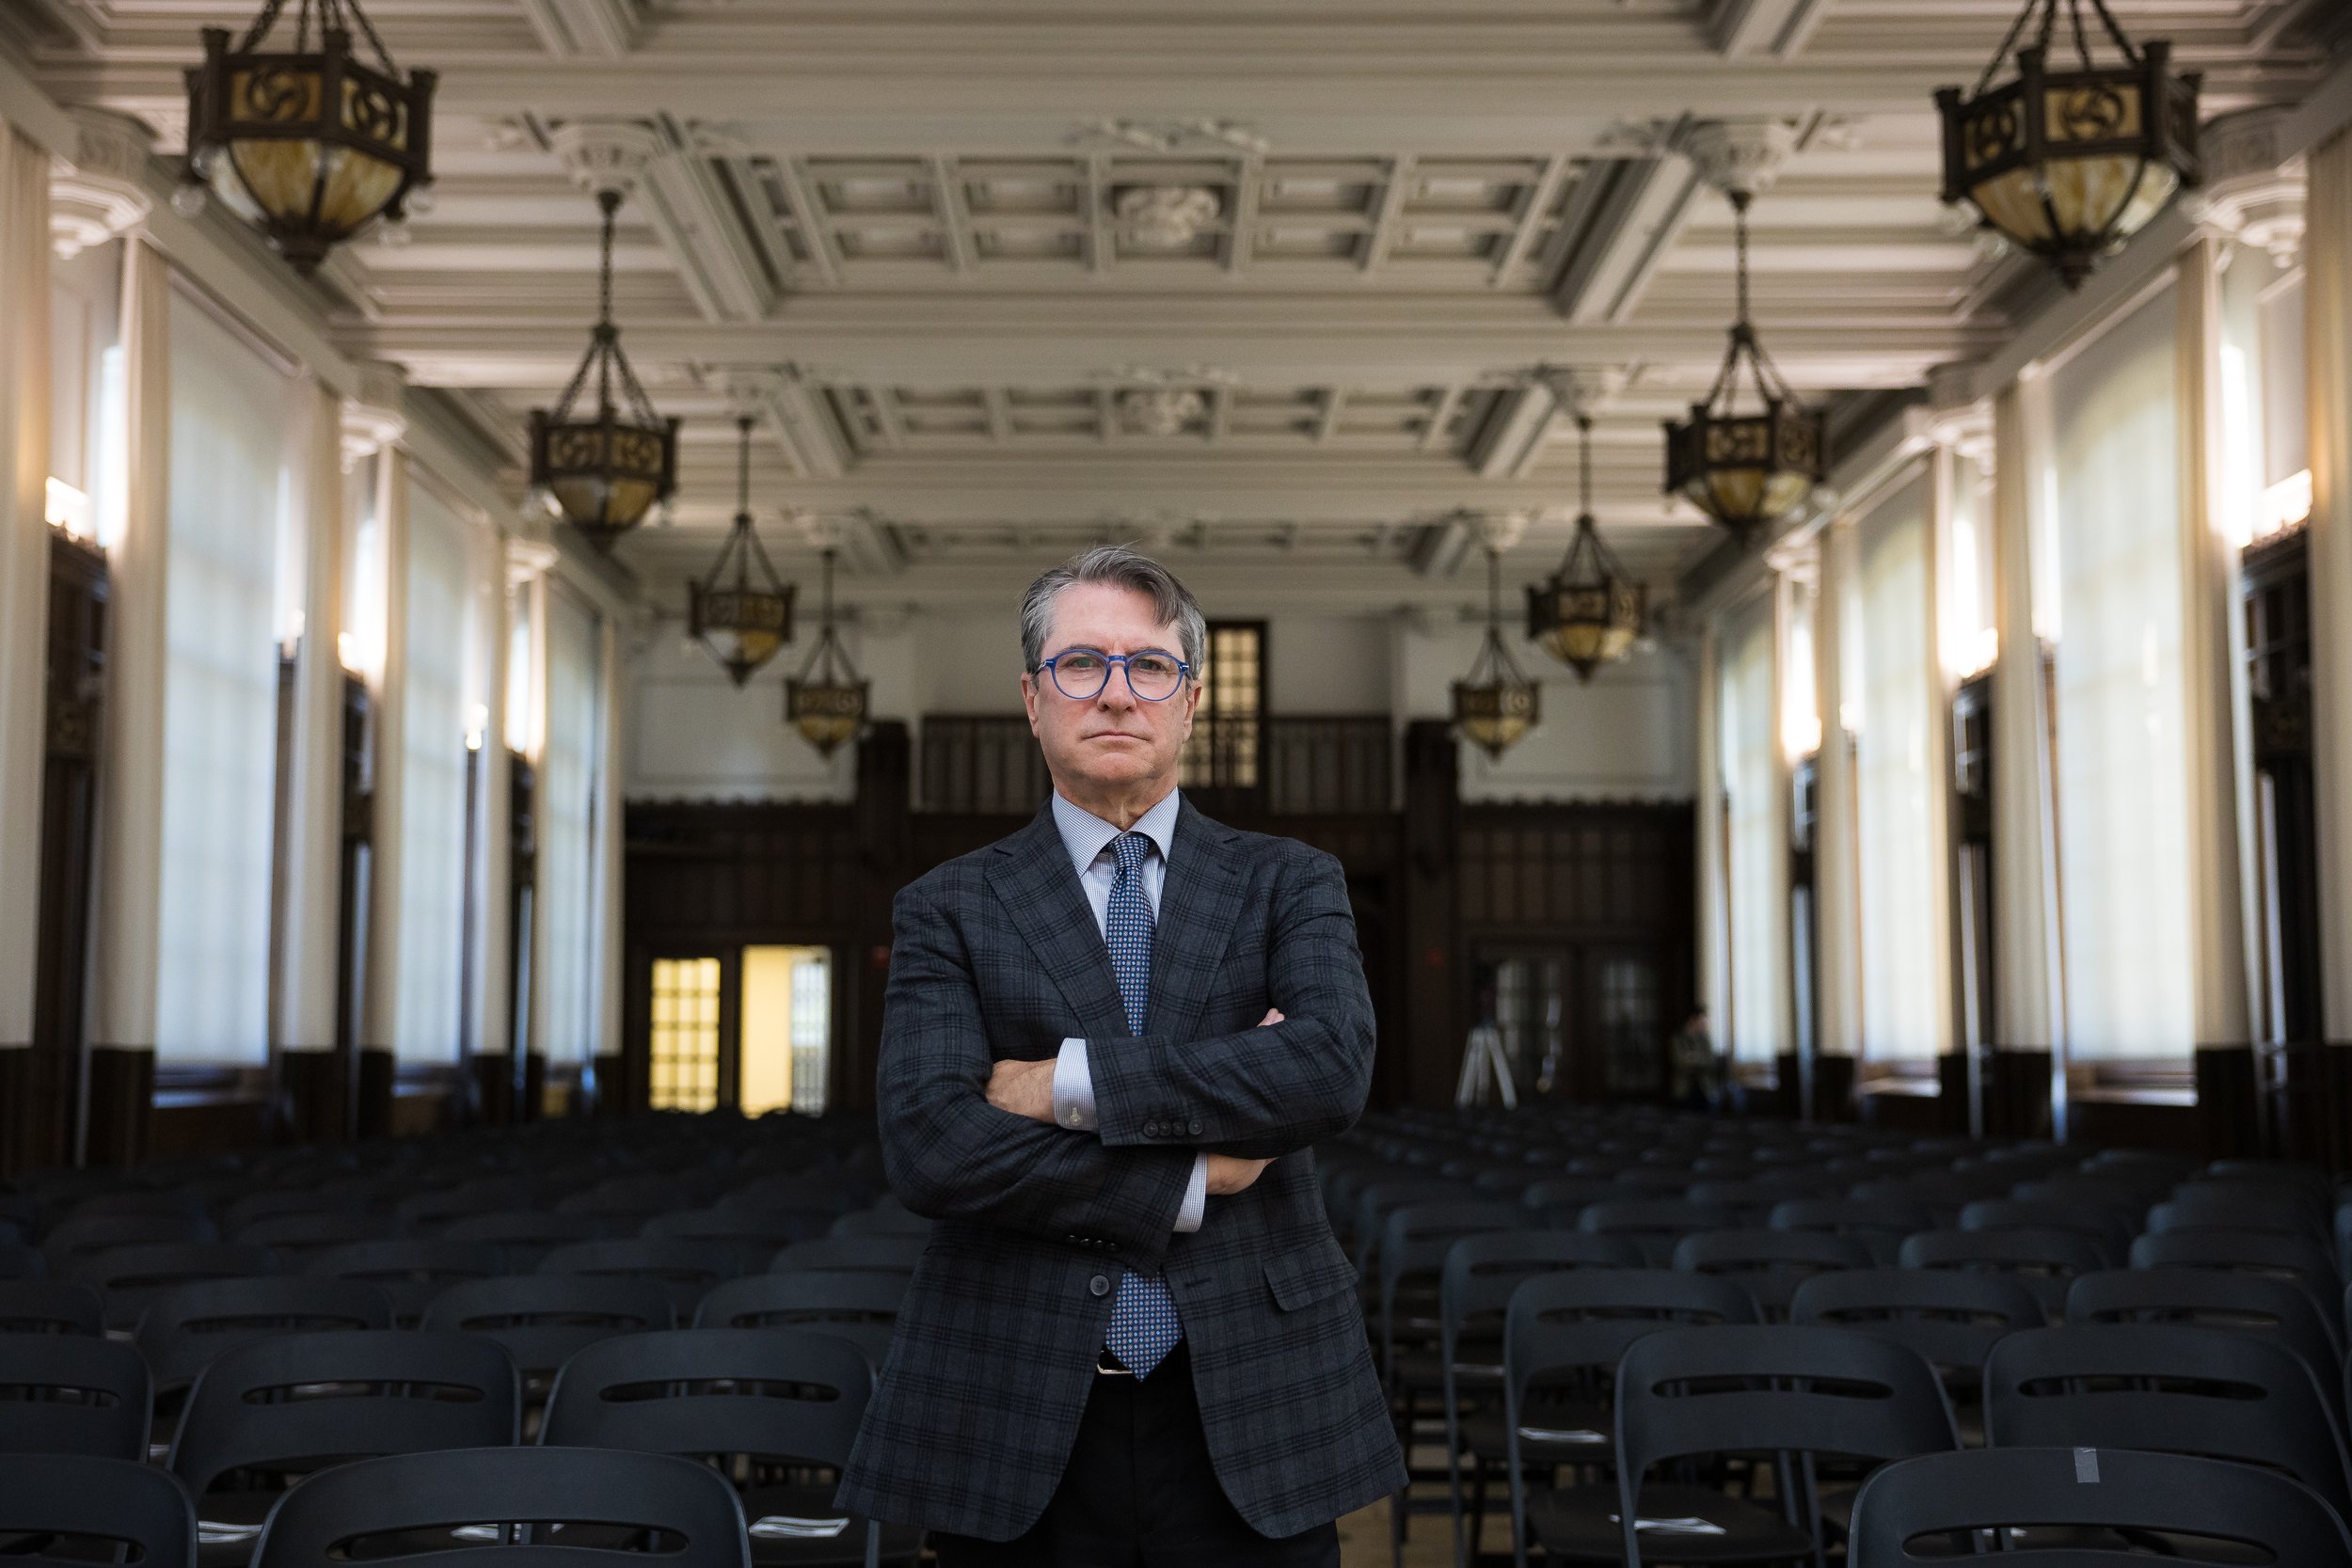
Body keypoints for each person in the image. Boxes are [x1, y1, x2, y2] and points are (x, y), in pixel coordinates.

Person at [834, 546, 1402, 1567]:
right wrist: (1192, 1173)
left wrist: (1063, 1083)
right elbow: (930, 1144)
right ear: (1031, 697)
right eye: (1080, 662)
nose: (1114, 692)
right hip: (1011, 1390)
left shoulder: (1289, 881)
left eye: (1148, 666)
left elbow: (1326, 1070)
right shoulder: (947, 904)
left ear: (1190, 702)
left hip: (1259, 1390)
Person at [1668, 1006, 1724, 1112]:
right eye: (1702, 1021)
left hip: (1705, 1088)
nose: (1704, 1025)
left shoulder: (1705, 1039)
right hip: (1684, 1090)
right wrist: (1698, 1058)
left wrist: (1692, 1057)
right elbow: (1680, 1063)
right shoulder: (1678, 1038)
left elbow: (1711, 1061)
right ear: (1693, 1020)